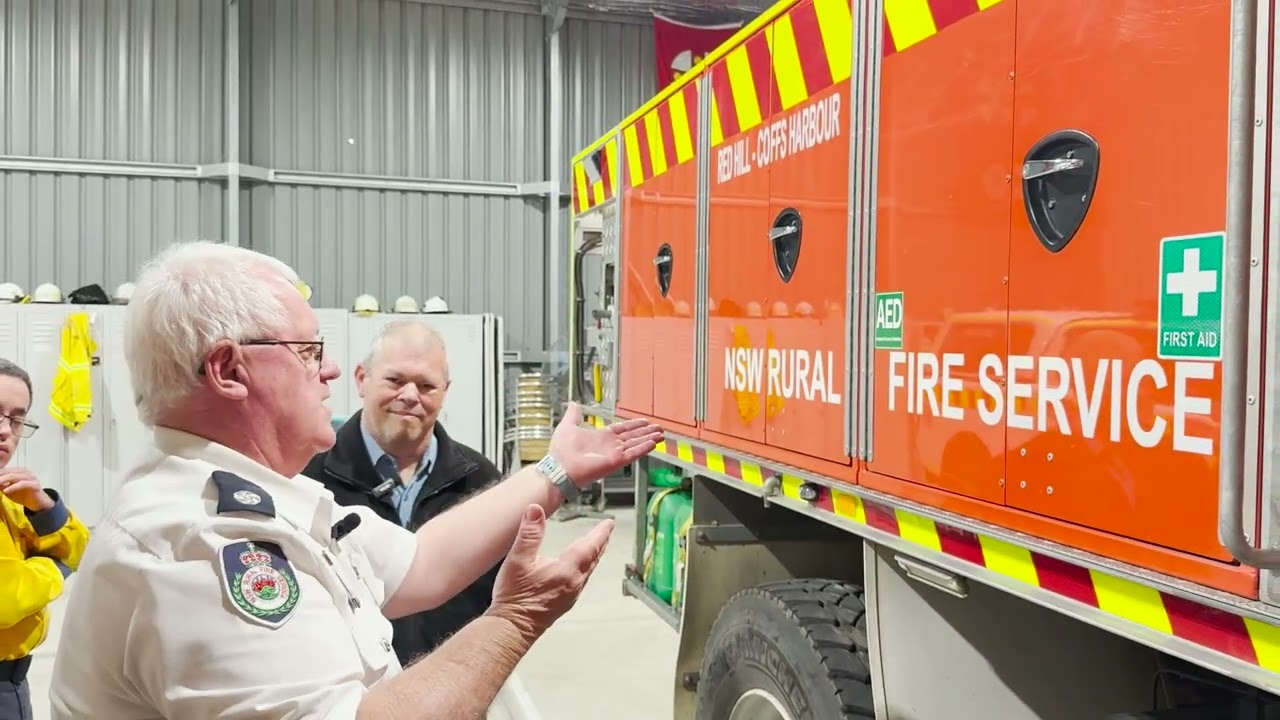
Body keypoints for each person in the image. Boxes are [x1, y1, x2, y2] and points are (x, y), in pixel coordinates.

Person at [47, 241, 662, 719]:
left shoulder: (268, 496)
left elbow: (420, 562)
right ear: (230, 369)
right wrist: (516, 619)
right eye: (309, 352)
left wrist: (556, 471)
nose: (331, 370)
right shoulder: (197, 548)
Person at [303, 320, 507, 665]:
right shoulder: (309, 477)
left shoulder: (481, 484)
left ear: (445, 391)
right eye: (395, 380)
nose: (410, 396)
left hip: (455, 687)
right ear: (361, 379)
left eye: (426, 385)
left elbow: (503, 595)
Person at [0, 359, 89, 720]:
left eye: (17, 419)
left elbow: (81, 548)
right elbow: (5, 601)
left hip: (13, 682)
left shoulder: (11, 493)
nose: (6, 431)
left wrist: (44, 506)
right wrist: (55, 566)